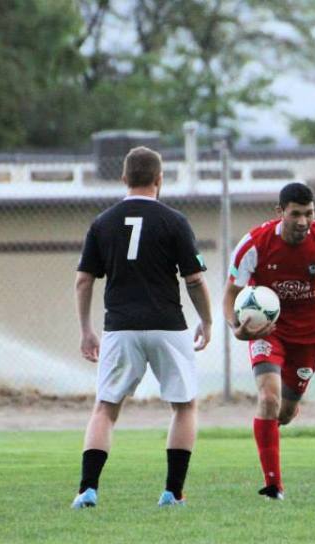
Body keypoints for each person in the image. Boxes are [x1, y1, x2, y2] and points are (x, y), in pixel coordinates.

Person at [72, 146, 213, 509]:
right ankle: (172, 492)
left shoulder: (102, 222)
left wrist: (87, 330)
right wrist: (208, 320)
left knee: (105, 407)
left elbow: (84, 281)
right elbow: (194, 280)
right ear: (159, 179)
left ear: (123, 179)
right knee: (184, 406)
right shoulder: (174, 221)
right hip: (168, 326)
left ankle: (87, 489)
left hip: (120, 327)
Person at [223, 182, 315, 501]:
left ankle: (279, 417)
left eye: (309, 214)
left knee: (283, 411)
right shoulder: (254, 244)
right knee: (268, 399)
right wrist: (235, 327)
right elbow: (230, 293)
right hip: (269, 332)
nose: (302, 221)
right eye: (295, 214)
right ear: (280, 212)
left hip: (310, 336)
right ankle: (273, 486)